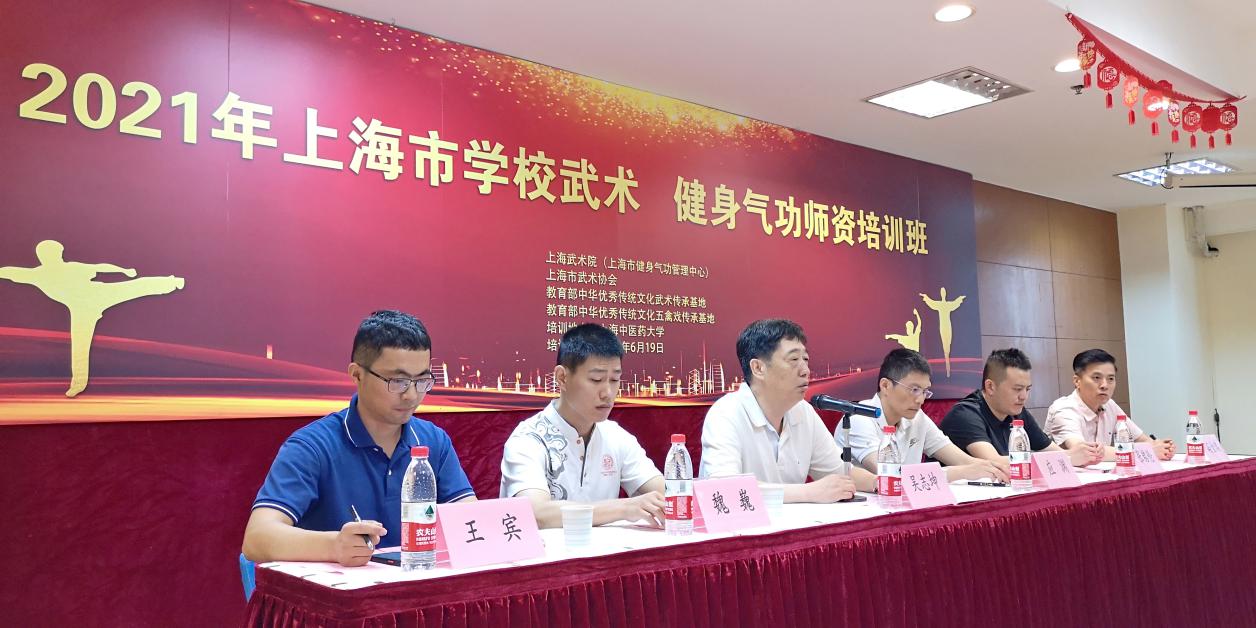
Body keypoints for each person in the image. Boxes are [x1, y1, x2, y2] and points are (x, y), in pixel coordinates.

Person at [242, 310, 476, 567]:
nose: (411, 395)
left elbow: (472, 521)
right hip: (341, 589)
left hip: (417, 586)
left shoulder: (433, 441)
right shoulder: (312, 447)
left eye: (422, 380)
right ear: (357, 374)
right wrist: (334, 546)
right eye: (397, 381)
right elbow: (257, 538)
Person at [500, 323, 665, 529]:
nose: (608, 393)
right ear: (562, 378)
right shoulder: (528, 439)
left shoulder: (616, 436)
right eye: (596, 379)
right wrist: (624, 508)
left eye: (615, 379)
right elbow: (537, 513)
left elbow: (665, 493)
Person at [700, 319, 875, 502]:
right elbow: (725, 488)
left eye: (805, 359)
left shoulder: (803, 411)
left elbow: (840, 473)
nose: (805, 371)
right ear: (758, 368)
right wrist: (807, 493)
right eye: (793, 360)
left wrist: (879, 482)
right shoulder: (726, 413)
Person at [839, 348, 1010, 483]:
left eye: (925, 391)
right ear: (885, 386)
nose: (920, 400)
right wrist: (961, 473)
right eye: (914, 389)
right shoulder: (859, 419)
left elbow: (961, 459)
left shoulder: (917, 417)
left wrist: (997, 468)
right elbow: (892, 476)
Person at [941, 348, 1102, 467]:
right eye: (1017, 389)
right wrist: (1068, 457)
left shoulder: (1017, 411)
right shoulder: (965, 414)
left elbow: (1051, 450)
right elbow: (993, 462)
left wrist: (1082, 453)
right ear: (990, 387)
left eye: (1027, 389)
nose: (1024, 396)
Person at [1046, 349, 1175, 461]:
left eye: (1110, 379)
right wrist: (1147, 451)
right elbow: (1085, 452)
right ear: (1077, 381)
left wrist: (1162, 447)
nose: (1105, 385)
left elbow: (1143, 440)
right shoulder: (1064, 409)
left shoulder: (1109, 405)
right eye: (1096, 378)